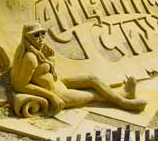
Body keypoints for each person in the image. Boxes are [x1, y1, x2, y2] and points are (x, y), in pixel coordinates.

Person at [11, 24, 147, 116]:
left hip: (59, 83)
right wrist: (51, 96)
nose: (40, 39)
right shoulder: (30, 57)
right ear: (26, 37)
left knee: (92, 79)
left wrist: (51, 58)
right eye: (36, 35)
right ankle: (124, 99)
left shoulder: (37, 51)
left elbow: (45, 71)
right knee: (93, 95)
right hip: (59, 93)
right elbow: (21, 85)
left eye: (42, 34)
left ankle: (123, 94)